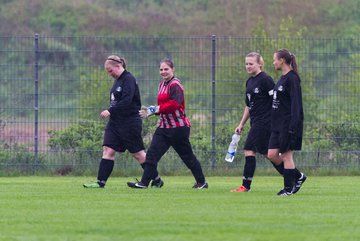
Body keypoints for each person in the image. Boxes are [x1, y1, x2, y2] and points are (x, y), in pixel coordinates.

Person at [127, 58, 208, 189]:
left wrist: (154, 109)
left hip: (178, 128)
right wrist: (150, 111)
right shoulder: (162, 85)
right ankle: (144, 183)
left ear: (173, 69)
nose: (163, 72)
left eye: (166, 69)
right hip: (164, 127)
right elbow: (163, 106)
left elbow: (175, 104)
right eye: (161, 69)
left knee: (187, 157)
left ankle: (201, 182)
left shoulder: (175, 85)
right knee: (152, 155)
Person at [83, 55, 163, 188]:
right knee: (108, 150)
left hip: (129, 123)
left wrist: (110, 111)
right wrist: (112, 113)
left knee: (138, 154)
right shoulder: (118, 81)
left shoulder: (129, 79)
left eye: (110, 71)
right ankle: (100, 182)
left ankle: (156, 179)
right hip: (115, 123)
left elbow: (126, 101)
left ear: (118, 66)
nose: (110, 74)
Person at [230, 52, 285, 193]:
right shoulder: (249, 82)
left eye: (251, 63)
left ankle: (245, 186)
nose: (248, 66)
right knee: (269, 154)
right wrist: (241, 124)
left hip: (265, 122)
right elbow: (249, 106)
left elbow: (275, 100)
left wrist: (276, 119)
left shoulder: (265, 80)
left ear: (259, 64)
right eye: (246, 64)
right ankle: (295, 176)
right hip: (255, 123)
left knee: (249, 149)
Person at [268, 49, 307, 196]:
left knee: (286, 156)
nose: (273, 62)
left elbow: (296, 105)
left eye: (275, 59)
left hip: (288, 124)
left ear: (282, 60)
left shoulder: (293, 78)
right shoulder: (282, 78)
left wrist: (294, 126)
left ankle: (288, 189)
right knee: (272, 154)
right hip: (277, 125)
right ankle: (298, 177)